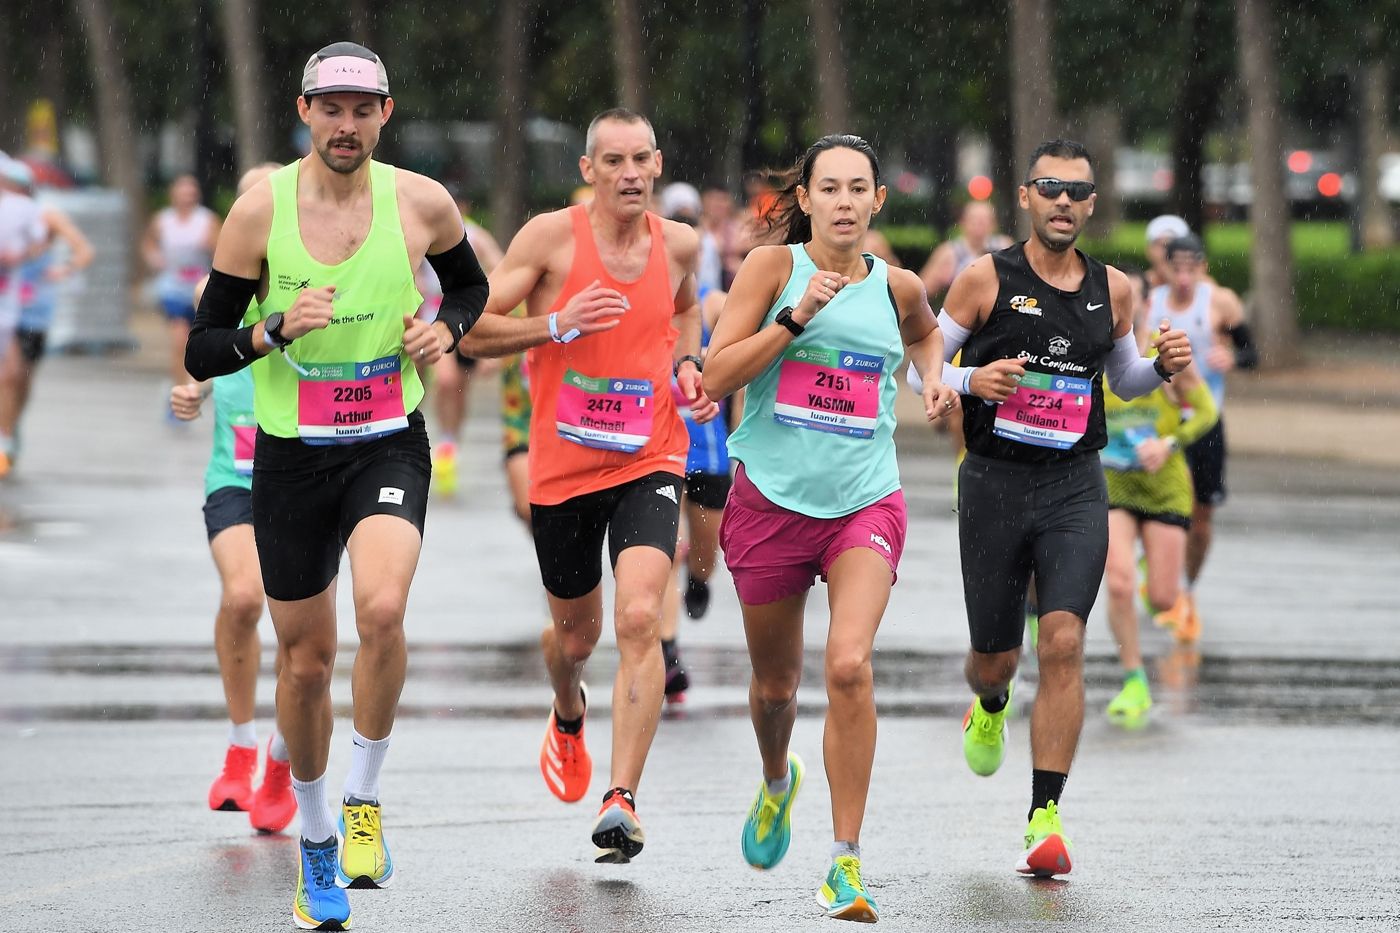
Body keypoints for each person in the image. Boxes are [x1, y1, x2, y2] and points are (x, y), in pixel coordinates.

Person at [184, 42, 488, 930]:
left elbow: (469, 286)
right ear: (304, 110)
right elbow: (204, 344)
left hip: (388, 442)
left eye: (361, 110)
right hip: (290, 456)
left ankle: (363, 796)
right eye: (329, 108)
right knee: (308, 662)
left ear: (384, 113)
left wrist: (445, 329)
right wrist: (271, 329)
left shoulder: (422, 201)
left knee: (384, 611)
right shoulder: (259, 211)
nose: (344, 125)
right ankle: (314, 839)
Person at [703, 134, 958, 923]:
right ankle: (779, 778)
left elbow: (923, 333)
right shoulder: (771, 270)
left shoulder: (898, 285)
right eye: (831, 188)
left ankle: (845, 862)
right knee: (776, 687)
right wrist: (792, 319)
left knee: (848, 664)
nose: (846, 201)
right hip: (771, 500)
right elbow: (714, 375)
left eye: (860, 189)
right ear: (805, 199)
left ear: (879, 200)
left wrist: (933, 378)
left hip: (863, 501)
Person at [456, 108, 716, 863]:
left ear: (658, 164)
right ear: (588, 170)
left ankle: (621, 797)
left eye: (641, 159)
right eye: (614, 161)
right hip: (563, 466)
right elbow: (472, 329)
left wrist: (690, 361)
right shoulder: (548, 239)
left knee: (640, 615)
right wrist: (557, 324)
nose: (630, 173)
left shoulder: (680, 244)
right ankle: (567, 705)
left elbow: (690, 306)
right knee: (576, 636)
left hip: (650, 457)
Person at [937, 139, 1193, 878]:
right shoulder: (984, 278)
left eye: (1077, 192)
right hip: (992, 482)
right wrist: (969, 377)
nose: (1063, 201)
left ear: (1090, 204)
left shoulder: (1113, 289)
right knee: (996, 658)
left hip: (1075, 485)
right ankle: (989, 702)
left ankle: (1044, 815)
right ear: (1026, 196)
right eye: (1050, 187)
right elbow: (923, 363)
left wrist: (1162, 367)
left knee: (1065, 643)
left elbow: (1126, 377)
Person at [171, 162, 300, 831]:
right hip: (234, 478)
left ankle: (282, 761)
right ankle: (240, 745)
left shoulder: (313, 287)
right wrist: (191, 390)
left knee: (304, 637)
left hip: (306, 476)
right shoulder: (214, 287)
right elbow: (200, 359)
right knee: (244, 596)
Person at [1100, 268, 1218, 723]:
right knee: (1119, 582)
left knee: (1165, 600)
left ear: (1147, 304)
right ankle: (1134, 680)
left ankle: (1156, 571)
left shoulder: (1164, 353)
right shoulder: (1093, 356)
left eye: (1129, 299)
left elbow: (1205, 412)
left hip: (1165, 485)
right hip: (1114, 482)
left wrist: (1166, 444)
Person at [1146, 234, 1253, 641]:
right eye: (1177, 268)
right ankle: (1161, 582)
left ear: (1203, 267)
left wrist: (1233, 358)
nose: (1185, 276)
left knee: (1202, 514)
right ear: (1166, 268)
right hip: (1164, 422)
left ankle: (1187, 590)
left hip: (1207, 420)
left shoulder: (1220, 301)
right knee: (1165, 504)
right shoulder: (1151, 304)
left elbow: (1252, 351)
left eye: (1193, 268)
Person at [0, 158, 92, 475]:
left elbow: (84, 251)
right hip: (5, 306)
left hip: (35, 308)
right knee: (9, 373)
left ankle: (11, 426)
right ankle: (5, 438)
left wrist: (62, 270)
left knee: (23, 378)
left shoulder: (46, 217)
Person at [421, 191, 506, 497]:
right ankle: (442, 440)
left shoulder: (477, 237)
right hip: (433, 315)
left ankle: (449, 444)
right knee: (446, 380)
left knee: (460, 389)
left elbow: (500, 270)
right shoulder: (424, 228)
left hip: (467, 317)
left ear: (464, 207)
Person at [143, 174, 221, 390]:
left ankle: (192, 387)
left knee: (197, 345)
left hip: (199, 290)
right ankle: (179, 389)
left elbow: (222, 254)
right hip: (173, 288)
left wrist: (210, 249)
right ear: (173, 195)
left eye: (191, 194)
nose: (187, 198)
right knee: (179, 343)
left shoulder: (207, 220)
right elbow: (148, 243)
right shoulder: (162, 220)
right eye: (182, 193)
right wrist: (153, 257)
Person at [920, 200, 1013, 299]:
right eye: (974, 219)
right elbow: (921, 291)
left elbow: (1018, 282)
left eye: (984, 219)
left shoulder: (1004, 246)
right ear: (962, 222)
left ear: (994, 224)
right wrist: (939, 281)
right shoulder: (948, 252)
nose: (979, 224)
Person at [1143, 214, 1189, 290]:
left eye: (1174, 245)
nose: (1167, 252)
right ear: (1149, 250)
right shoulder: (1136, 287)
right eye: (1163, 245)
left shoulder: (1207, 292)